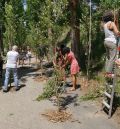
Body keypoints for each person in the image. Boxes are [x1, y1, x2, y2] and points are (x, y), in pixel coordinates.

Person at [102, 11, 120, 77]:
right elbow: (117, 32)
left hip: (106, 41)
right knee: (113, 57)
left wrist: (116, 23)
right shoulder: (112, 23)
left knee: (108, 57)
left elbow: (111, 30)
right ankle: (108, 73)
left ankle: (107, 71)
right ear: (110, 17)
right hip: (112, 42)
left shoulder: (105, 24)